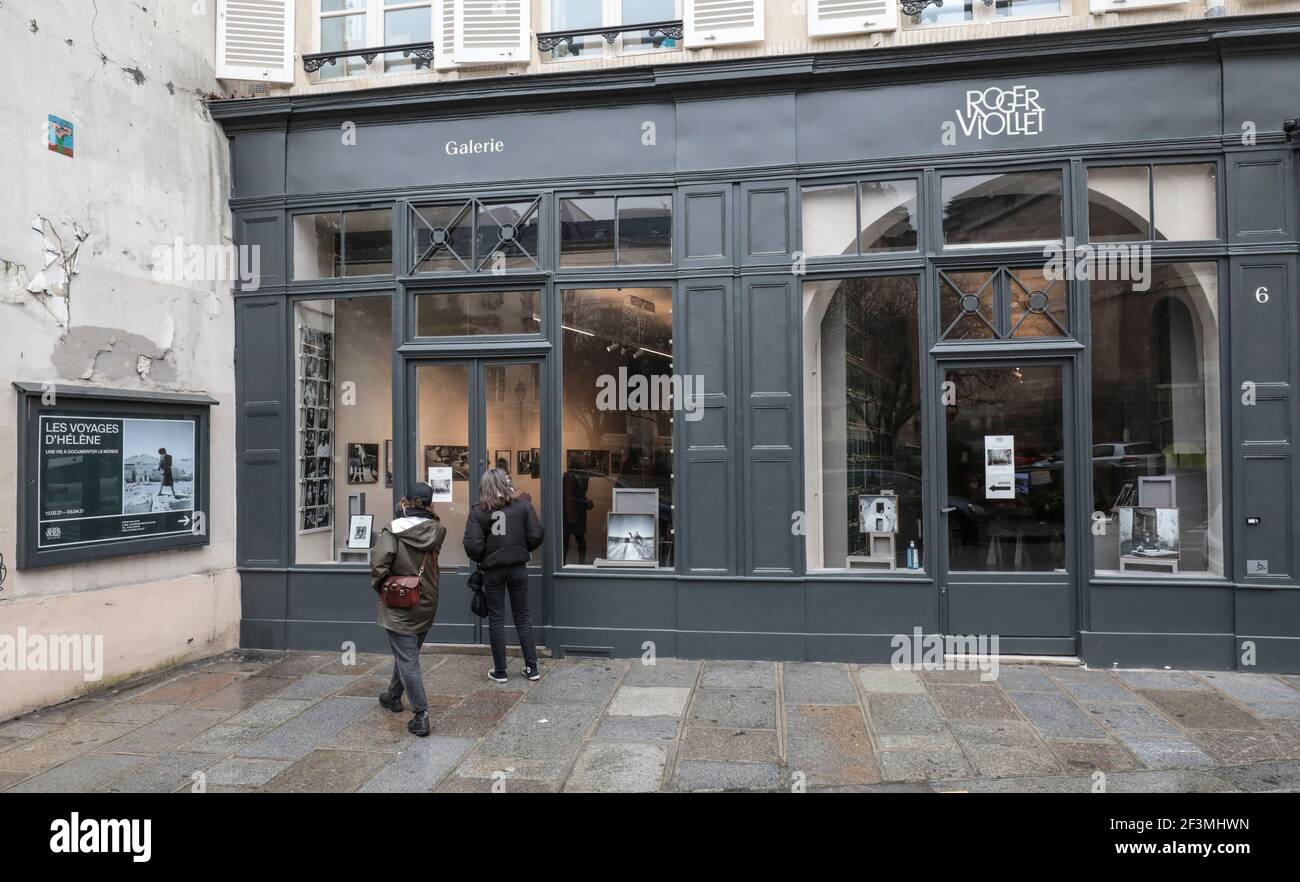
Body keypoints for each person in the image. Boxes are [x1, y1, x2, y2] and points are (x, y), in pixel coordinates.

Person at [370, 483, 446, 737]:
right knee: (407, 653)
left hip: (399, 601)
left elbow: (379, 565)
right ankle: (393, 695)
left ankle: (421, 714)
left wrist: (382, 586)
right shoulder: (437, 530)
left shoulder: (392, 531)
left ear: (407, 502)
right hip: (426, 601)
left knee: (408, 658)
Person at [463, 468, 543, 683]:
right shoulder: (523, 506)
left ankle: (500, 671)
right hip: (517, 567)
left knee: (496, 619)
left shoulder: (479, 511)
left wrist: (486, 555)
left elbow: (473, 545)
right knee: (523, 616)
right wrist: (521, 547)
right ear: (506, 483)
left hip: (493, 570)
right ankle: (532, 667)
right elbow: (536, 535)